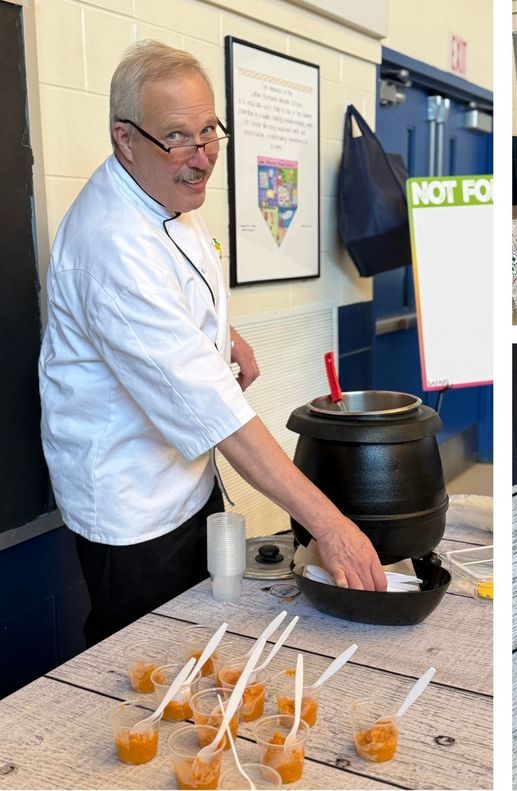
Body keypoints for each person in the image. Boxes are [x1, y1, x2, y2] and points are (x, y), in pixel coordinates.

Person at [38, 41, 386, 646]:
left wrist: (223, 331)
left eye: (209, 132)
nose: (200, 158)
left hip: (184, 476)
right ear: (125, 138)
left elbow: (177, 286)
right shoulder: (110, 245)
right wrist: (330, 525)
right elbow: (213, 411)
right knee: (145, 658)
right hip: (133, 502)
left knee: (200, 637)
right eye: (177, 137)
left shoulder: (162, 187)